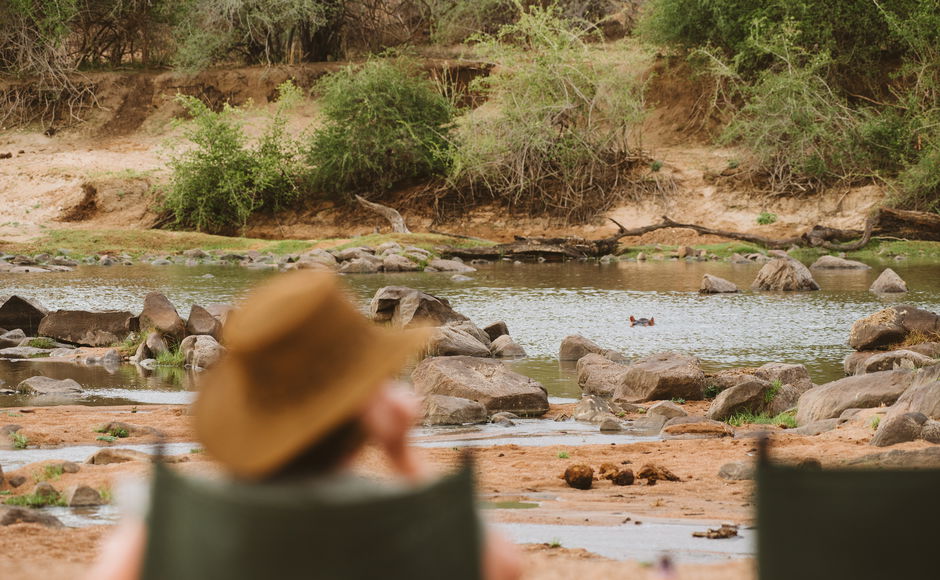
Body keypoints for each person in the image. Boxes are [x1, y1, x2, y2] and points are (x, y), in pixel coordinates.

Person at [87, 270, 521, 580]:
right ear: (366, 413)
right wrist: (403, 456)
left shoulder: (177, 527)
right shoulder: (409, 528)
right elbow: (504, 568)